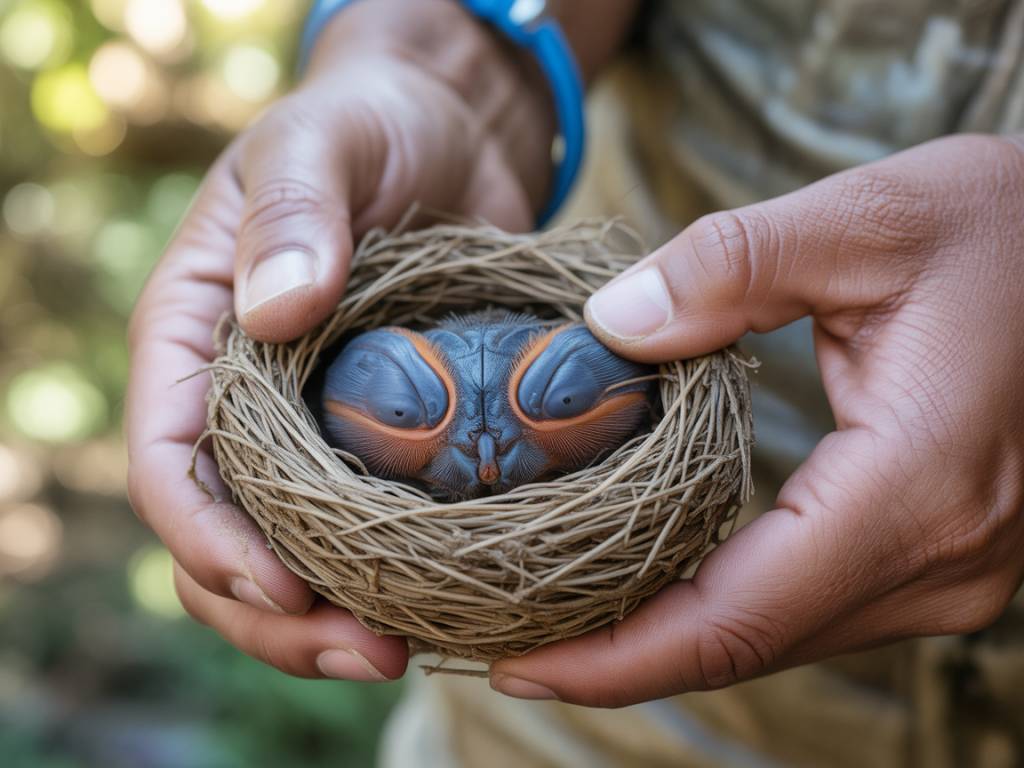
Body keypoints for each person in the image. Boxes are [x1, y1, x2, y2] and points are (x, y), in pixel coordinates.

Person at [126, 0, 1024, 764]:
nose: (484, 454)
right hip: (563, 734)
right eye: (417, 415)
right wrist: (450, 55)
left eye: (540, 409)